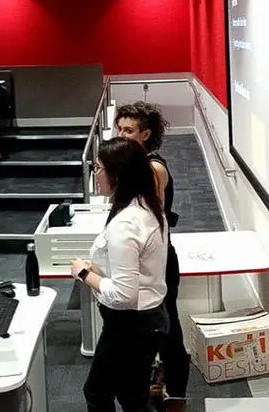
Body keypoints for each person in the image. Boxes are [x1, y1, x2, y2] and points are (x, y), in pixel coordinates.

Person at [71, 137, 170, 412]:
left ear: (117, 175)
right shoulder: (146, 206)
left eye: (99, 168)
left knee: (98, 392)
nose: (95, 174)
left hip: (131, 326)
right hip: (145, 321)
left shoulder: (126, 224)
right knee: (131, 396)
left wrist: (83, 273)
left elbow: (124, 296)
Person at [114, 102, 187, 407]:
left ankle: (177, 394)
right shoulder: (132, 165)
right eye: (119, 128)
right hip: (145, 260)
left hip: (158, 261)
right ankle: (159, 378)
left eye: (128, 130)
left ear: (145, 134)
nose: (121, 134)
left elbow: (149, 222)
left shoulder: (154, 168)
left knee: (168, 327)